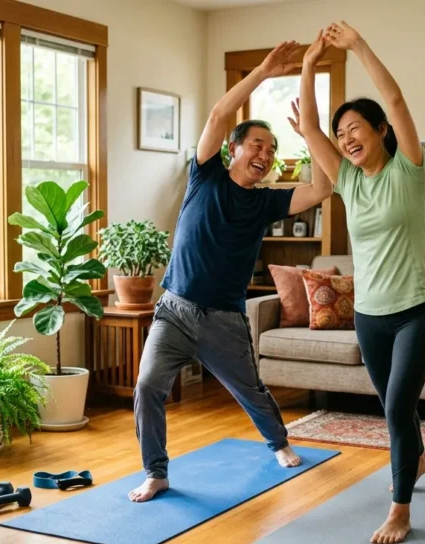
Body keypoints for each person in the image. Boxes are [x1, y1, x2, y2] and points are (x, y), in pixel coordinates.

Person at [128, 41, 335, 503]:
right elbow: (220, 113)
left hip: (223, 318)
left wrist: (311, 132)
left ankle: (279, 443)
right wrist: (263, 70)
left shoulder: (267, 201)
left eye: (272, 148)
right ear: (234, 149)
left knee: (252, 392)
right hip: (175, 309)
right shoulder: (205, 174)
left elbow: (323, 186)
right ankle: (156, 472)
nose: (265, 152)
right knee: (147, 386)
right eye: (257, 143)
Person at [297, 22, 425, 544]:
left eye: (355, 127)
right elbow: (310, 127)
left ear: (381, 129)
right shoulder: (348, 181)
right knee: (392, 407)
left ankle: (400, 510)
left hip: (418, 311)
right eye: (341, 134)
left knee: (398, 406)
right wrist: (311, 64)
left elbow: (396, 97)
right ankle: (418, 459)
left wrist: (356, 47)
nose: (346, 138)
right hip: (369, 317)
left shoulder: (409, 169)